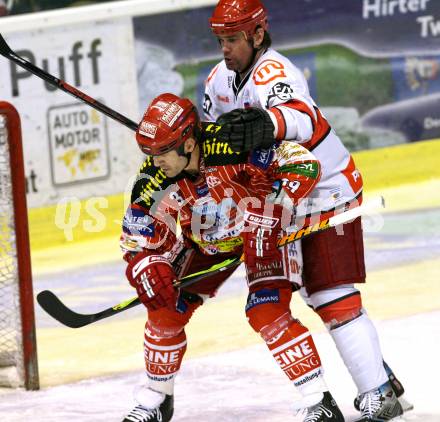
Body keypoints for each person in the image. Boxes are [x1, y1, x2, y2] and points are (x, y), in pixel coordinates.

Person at [204, 1, 412, 421]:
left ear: (257, 34)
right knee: (307, 293)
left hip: (325, 190)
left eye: (232, 39)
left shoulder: (273, 72)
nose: (225, 49)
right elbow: (213, 141)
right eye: (221, 40)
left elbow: (298, 116)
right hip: (283, 199)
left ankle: (378, 392)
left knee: (330, 294)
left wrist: (267, 125)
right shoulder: (218, 81)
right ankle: (381, 378)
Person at [120, 93, 346, 421]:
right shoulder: (153, 178)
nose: (157, 162)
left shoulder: (231, 145)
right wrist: (147, 263)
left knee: (265, 309)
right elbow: (136, 234)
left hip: (264, 235)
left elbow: (304, 163)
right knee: (164, 309)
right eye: (150, 154)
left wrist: (273, 209)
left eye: (162, 152)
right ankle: (156, 399)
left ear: (187, 143)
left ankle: (319, 401)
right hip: (207, 243)